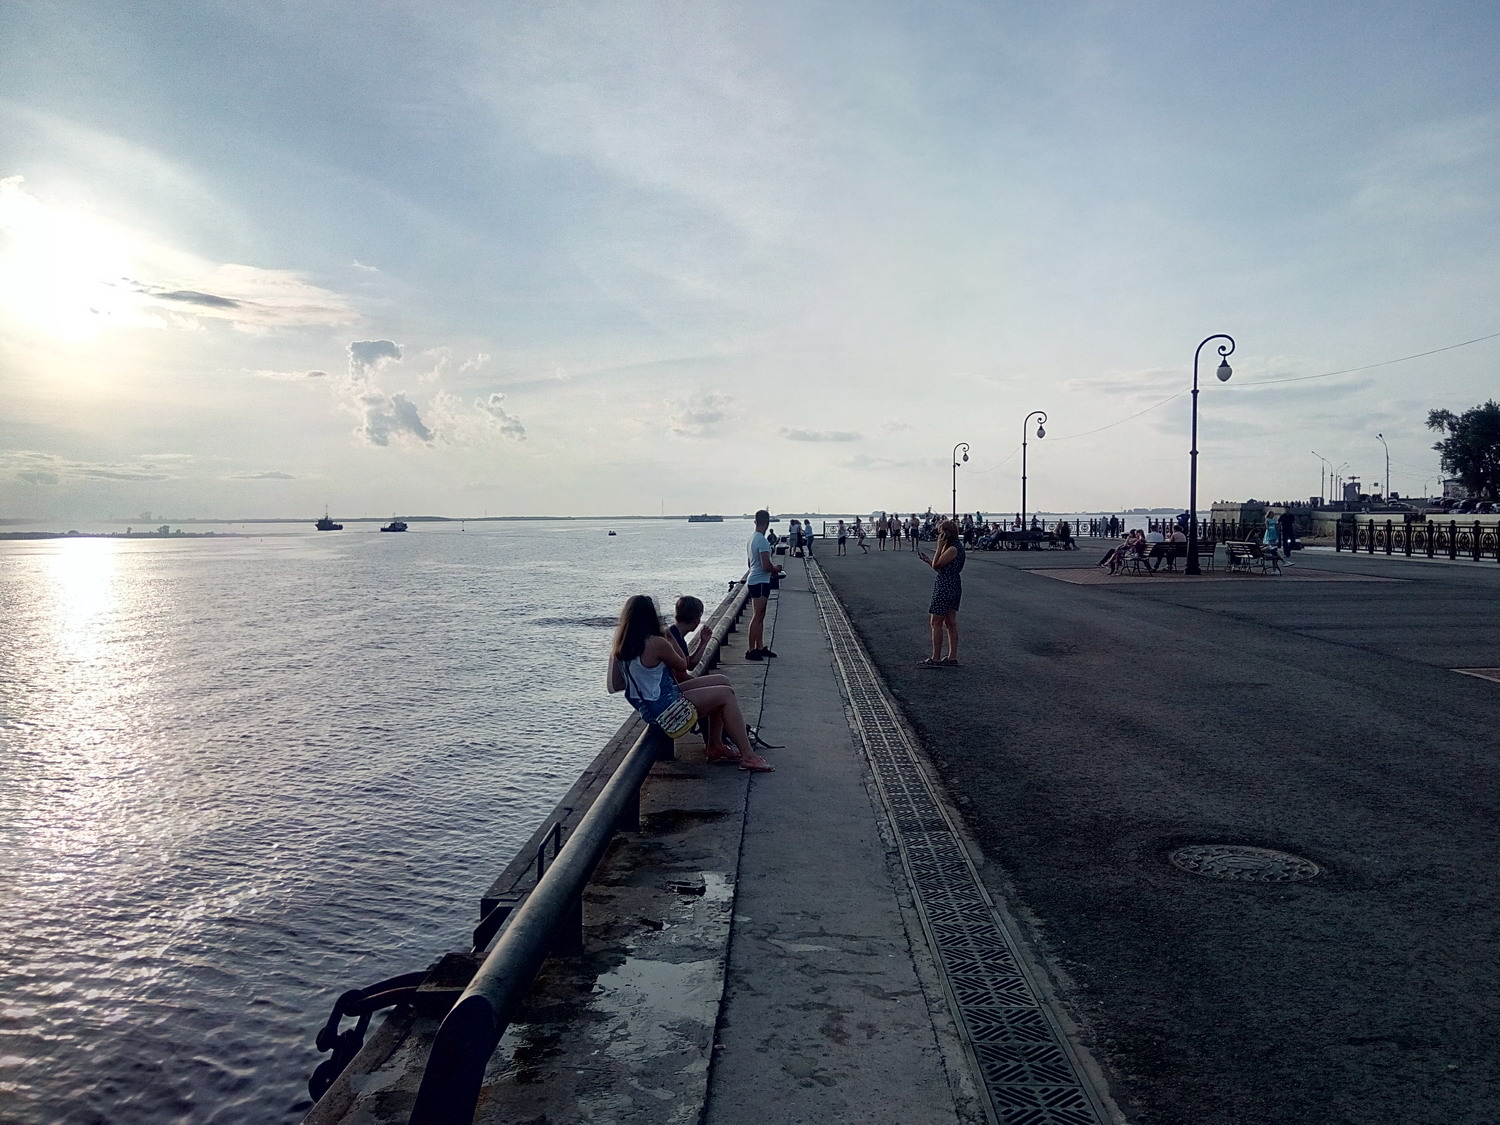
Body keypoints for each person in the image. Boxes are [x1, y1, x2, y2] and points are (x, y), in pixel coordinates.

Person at [608, 595, 773, 771]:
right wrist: (670, 637)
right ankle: (748, 756)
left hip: (650, 709)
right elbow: (682, 664)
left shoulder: (620, 647)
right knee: (726, 694)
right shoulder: (656, 643)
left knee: (721, 681)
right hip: (667, 709)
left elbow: (614, 686)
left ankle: (715, 745)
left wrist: (645, 677)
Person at [918, 519, 965, 667]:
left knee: (936, 621)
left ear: (946, 534)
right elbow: (940, 567)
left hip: (946, 586)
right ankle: (952, 657)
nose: (938, 535)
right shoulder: (955, 547)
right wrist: (928, 561)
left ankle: (936, 657)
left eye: (940, 532)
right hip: (952, 583)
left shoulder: (952, 549)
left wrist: (939, 547)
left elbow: (937, 564)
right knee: (950, 621)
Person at [746, 509, 785, 660]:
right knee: (757, 616)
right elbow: (765, 565)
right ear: (767, 523)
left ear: (755, 521)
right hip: (760, 581)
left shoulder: (752, 539)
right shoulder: (762, 541)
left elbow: (750, 563)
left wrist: (770, 570)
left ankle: (760, 646)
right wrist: (776, 569)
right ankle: (751, 650)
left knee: (760, 615)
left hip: (755, 579)